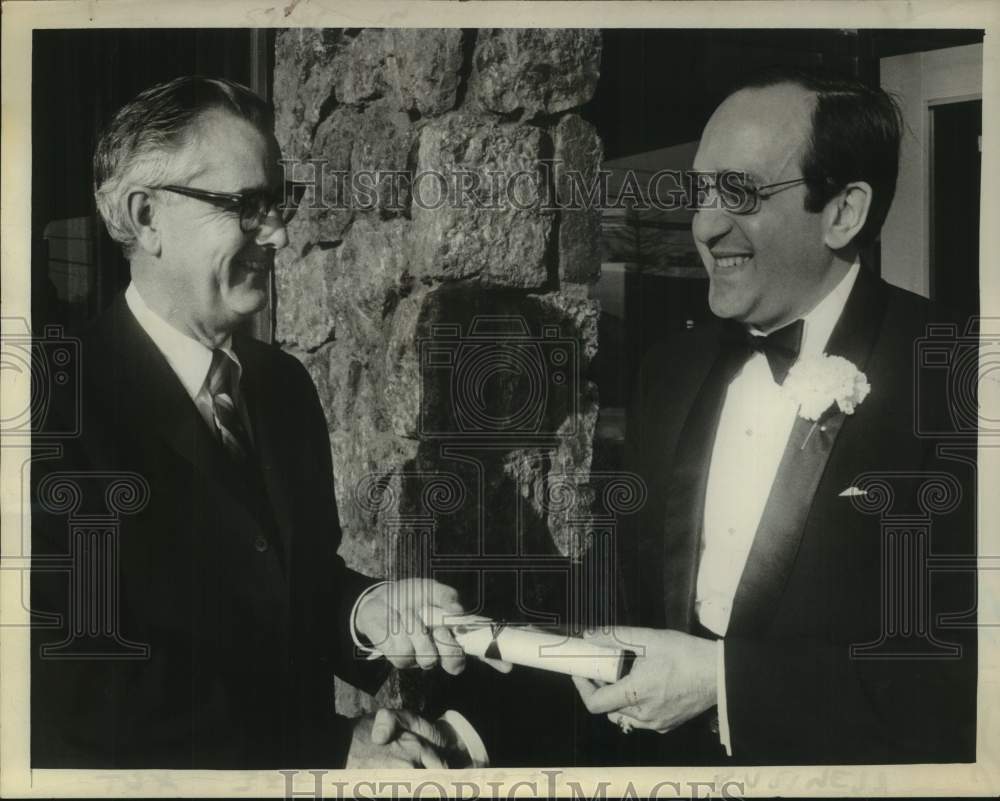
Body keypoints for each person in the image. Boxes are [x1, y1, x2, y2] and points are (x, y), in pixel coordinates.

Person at [30, 76, 498, 770]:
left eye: (280, 203)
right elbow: (74, 686)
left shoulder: (283, 389)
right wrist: (326, 750)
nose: (277, 233)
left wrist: (365, 611)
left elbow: (292, 587)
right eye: (245, 205)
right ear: (145, 215)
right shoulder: (50, 408)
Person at [567, 67, 978, 764]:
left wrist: (726, 686)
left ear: (844, 212)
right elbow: (619, 584)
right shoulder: (670, 370)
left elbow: (966, 681)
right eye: (700, 190)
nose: (705, 224)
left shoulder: (957, 377)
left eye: (741, 191)